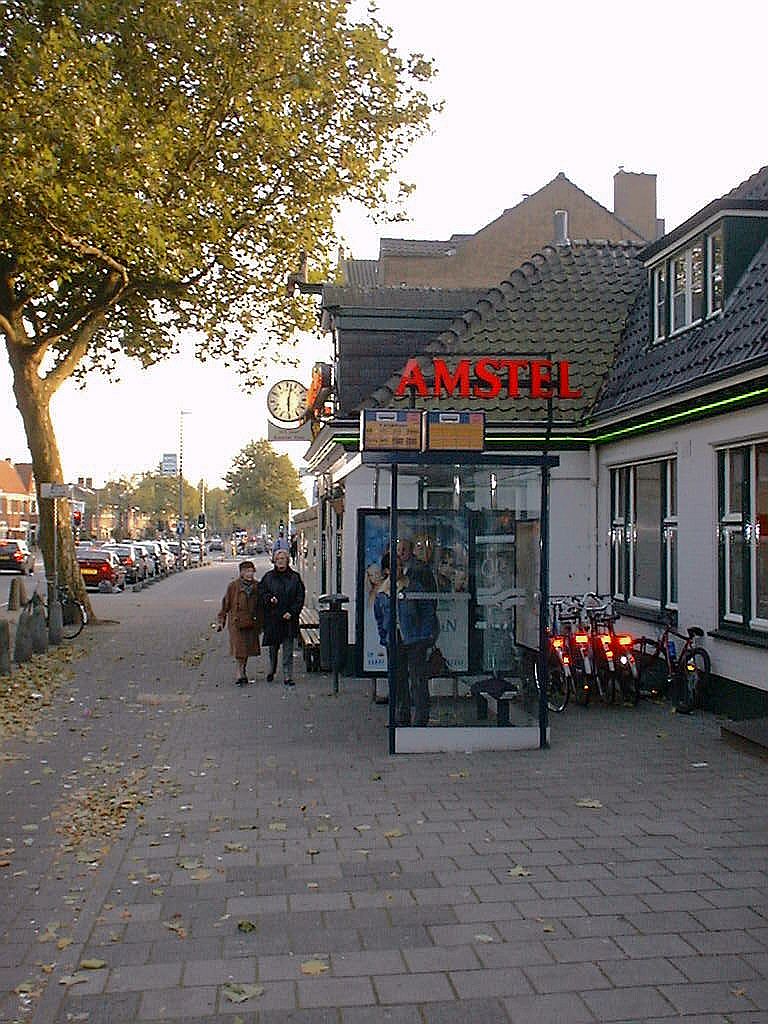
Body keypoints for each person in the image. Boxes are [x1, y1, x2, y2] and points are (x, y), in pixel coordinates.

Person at [374, 539, 438, 726]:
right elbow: (379, 617)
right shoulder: (383, 593)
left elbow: (427, 609)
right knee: (398, 678)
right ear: (387, 571)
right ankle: (401, 715)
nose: (400, 569)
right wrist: (384, 636)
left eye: (401, 565)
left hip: (414, 638)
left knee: (418, 679)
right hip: (395, 640)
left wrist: (425, 633)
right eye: (395, 566)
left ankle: (420, 717)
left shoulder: (413, 587)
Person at [259, 548, 305, 686]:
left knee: (288, 648)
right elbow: (261, 592)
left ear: (288, 560)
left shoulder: (295, 577)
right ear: (274, 561)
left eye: (283, 559)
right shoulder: (268, 577)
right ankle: (272, 669)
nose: (280, 562)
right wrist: (269, 598)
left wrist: (292, 612)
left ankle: (287, 675)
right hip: (273, 618)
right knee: (273, 648)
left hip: (288, 619)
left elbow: (300, 597)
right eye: (278, 559)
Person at [217, 560, 263, 686]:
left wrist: (262, 622)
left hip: (251, 622)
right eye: (246, 571)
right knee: (239, 649)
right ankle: (239, 672)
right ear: (241, 573)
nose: (249, 574)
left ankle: (243, 670)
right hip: (236, 622)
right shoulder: (233, 586)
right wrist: (221, 620)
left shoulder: (257, 586)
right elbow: (226, 604)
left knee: (247, 649)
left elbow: (262, 605)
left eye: (251, 571)